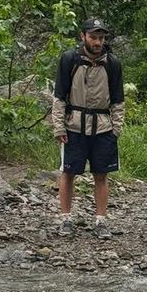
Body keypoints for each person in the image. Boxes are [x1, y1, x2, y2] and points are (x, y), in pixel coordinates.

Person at [52, 18, 125, 240]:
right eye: (93, 37)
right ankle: (66, 219)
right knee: (68, 172)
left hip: (103, 127)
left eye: (101, 38)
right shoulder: (69, 60)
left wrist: (116, 129)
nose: (98, 42)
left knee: (101, 174)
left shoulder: (112, 63)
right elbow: (59, 96)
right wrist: (59, 127)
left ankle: (101, 221)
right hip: (74, 126)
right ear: (83, 36)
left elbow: (118, 100)